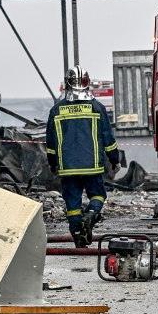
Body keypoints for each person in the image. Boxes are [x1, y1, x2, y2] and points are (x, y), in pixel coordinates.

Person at [45, 65, 121, 246]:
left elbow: (51, 144)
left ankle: (79, 236)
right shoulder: (97, 108)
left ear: (67, 83)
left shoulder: (56, 110)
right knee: (98, 195)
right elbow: (108, 138)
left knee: (72, 204)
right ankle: (92, 214)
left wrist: (53, 164)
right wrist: (115, 160)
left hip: (67, 168)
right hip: (92, 166)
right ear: (87, 83)